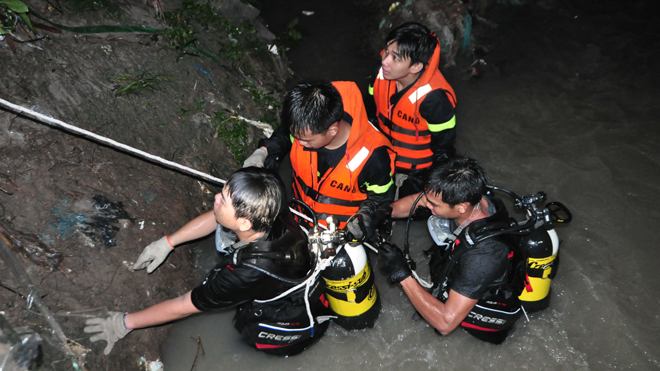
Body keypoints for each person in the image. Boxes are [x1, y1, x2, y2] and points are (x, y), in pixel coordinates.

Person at [84, 168, 330, 357]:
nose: (215, 198)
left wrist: (124, 323)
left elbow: (184, 305)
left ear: (245, 223)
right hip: (297, 280)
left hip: (285, 326)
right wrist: (168, 242)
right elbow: (220, 218)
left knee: (243, 340)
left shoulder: (243, 274)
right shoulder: (272, 209)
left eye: (223, 199)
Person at [242, 80, 396, 329]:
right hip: (302, 219)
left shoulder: (373, 156)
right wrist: (263, 151)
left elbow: (383, 198)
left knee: (353, 312)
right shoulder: (305, 124)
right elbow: (284, 136)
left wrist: (364, 218)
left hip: (344, 236)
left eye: (306, 140)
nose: (299, 143)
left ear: (333, 129)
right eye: (297, 136)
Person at [377, 156, 522, 343]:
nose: (426, 205)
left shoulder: (484, 255)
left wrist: (402, 275)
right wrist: (385, 212)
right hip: (464, 272)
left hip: (475, 311)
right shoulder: (475, 197)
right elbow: (419, 199)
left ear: (462, 207)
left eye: (434, 205)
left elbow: (446, 324)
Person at [371, 22, 457, 198]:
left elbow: (444, 147)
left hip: (414, 171)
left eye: (395, 58)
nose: (385, 61)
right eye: (386, 51)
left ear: (416, 66)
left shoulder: (434, 100)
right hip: (382, 158)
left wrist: (430, 182)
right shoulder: (379, 75)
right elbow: (371, 112)